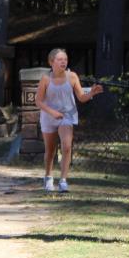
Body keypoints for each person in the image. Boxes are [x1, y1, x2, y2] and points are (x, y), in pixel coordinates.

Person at [35, 48, 103, 192]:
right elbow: (38, 101)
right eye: (60, 59)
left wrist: (91, 93)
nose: (63, 62)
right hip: (49, 117)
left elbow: (81, 97)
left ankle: (63, 181)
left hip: (66, 116)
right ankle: (48, 177)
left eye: (65, 59)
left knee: (66, 146)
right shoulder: (46, 79)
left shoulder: (72, 76)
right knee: (50, 150)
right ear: (51, 62)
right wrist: (53, 112)